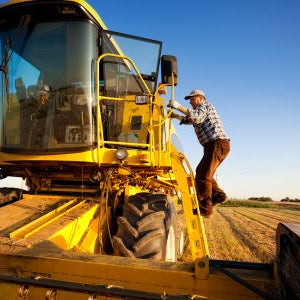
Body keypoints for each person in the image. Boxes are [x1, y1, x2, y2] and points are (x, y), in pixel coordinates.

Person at [168, 89, 230, 217]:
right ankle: (219, 196)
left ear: (200, 98)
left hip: (217, 144)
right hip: (213, 146)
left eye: (192, 99)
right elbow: (190, 120)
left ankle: (206, 210)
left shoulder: (205, 106)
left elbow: (196, 118)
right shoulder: (199, 110)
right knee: (202, 172)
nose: (190, 102)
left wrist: (178, 106)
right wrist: (175, 116)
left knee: (203, 176)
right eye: (189, 100)